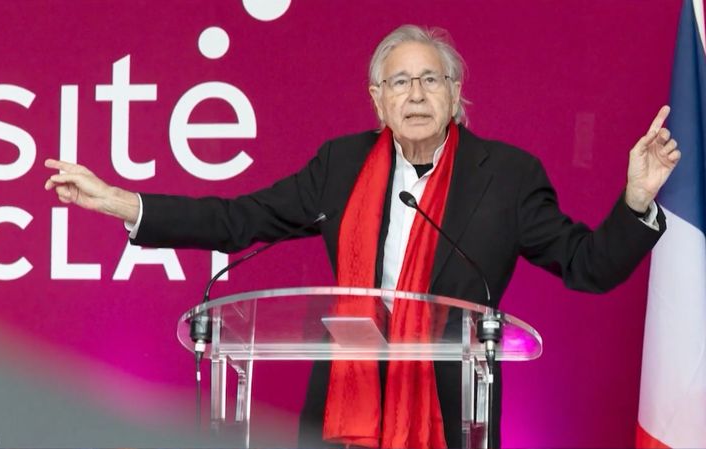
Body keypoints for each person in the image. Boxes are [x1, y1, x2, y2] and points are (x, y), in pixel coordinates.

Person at [45, 25, 680, 449]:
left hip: (452, 418)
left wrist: (637, 199)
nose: (416, 94)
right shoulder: (341, 166)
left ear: (456, 94)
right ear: (377, 101)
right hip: (339, 423)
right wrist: (126, 203)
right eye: (399, 82)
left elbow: (587, 265)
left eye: (431, 80)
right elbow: (239, 219)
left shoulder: (507, 177)